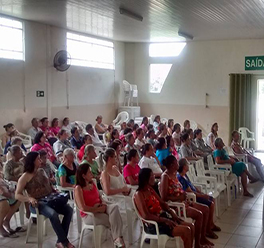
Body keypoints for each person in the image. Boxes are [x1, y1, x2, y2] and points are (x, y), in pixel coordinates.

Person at [15, 152, 74, 248]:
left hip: (50, 199)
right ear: (32, 161)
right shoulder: (24, 177)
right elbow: (17, 195)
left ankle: (60, 241)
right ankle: (64, 242)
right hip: (37, 204)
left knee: (69, 210)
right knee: (53, 214)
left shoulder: (41, 171)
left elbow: (49, 186)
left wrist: (54, 190)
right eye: (38, 159)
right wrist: (29, 198)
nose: (41, 160)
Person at [160, 156, 216, 247]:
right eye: (176, 163)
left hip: (184, 202)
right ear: (172, 165)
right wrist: (179, 198)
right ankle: (198, 243)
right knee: (199, 214)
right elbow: (164, 197)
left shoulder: (174, 174)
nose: (178, 164)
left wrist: (183, 196)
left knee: (205, 209)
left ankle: (202, 237)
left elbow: (180, 189)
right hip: (176, 206)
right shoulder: (165, 176)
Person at [134, 168, 194, 248]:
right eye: (151, 175)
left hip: (163, 218)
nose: (154, 177)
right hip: (154, 225)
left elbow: (162, 203)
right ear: (145, 179)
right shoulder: (139, 194)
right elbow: (146, 216)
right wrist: (164, 220)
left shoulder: (150, 190)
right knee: (187, 230)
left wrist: (171, 212)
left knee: (192, 226)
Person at [74, 163, 125, 248]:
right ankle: (118, 240)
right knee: (113, 220)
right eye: (89, 173)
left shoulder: (92, 184)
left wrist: (103, 203)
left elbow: (100, 196)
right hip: (89, 214)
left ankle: (117, 240)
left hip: (100, 206)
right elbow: (82, 207)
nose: (92, 174)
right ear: (83, 175)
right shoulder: (78, 188)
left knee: (114, 208)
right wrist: (97, 210)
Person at [177, 158, 221, 239]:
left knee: (212, 199)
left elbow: (192, 186)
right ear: (184, 166)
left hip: (196, 194)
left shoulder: (185, 175)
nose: (189, 165)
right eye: (187, 164)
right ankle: (208, 229)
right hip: (193, 198)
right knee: (210, 203)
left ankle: (210, 224)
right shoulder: (180, 178)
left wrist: (201, 192)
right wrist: (203, 196)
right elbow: (190, 192)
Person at [0, 170, 22, 238]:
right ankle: (0, 226)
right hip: (2, 194)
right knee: (4, 204)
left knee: (19, 197)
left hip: (4, 192)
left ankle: (6, 221)